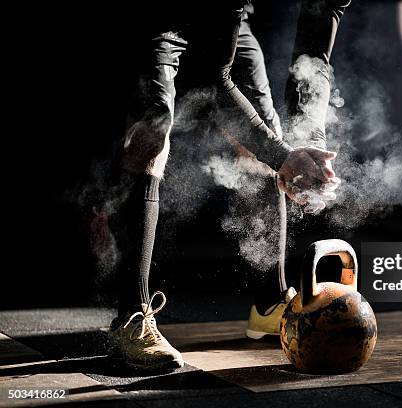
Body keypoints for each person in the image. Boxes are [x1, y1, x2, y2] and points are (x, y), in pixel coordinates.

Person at [107, 0, 351, 372]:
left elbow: (314, 57)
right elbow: (213, 82)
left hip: (222, 17)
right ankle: (132, 316)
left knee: (267, 127)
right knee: (153, 128)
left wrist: (309, 138)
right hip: (153, 15)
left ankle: (270, 302)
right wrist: (283, 156)